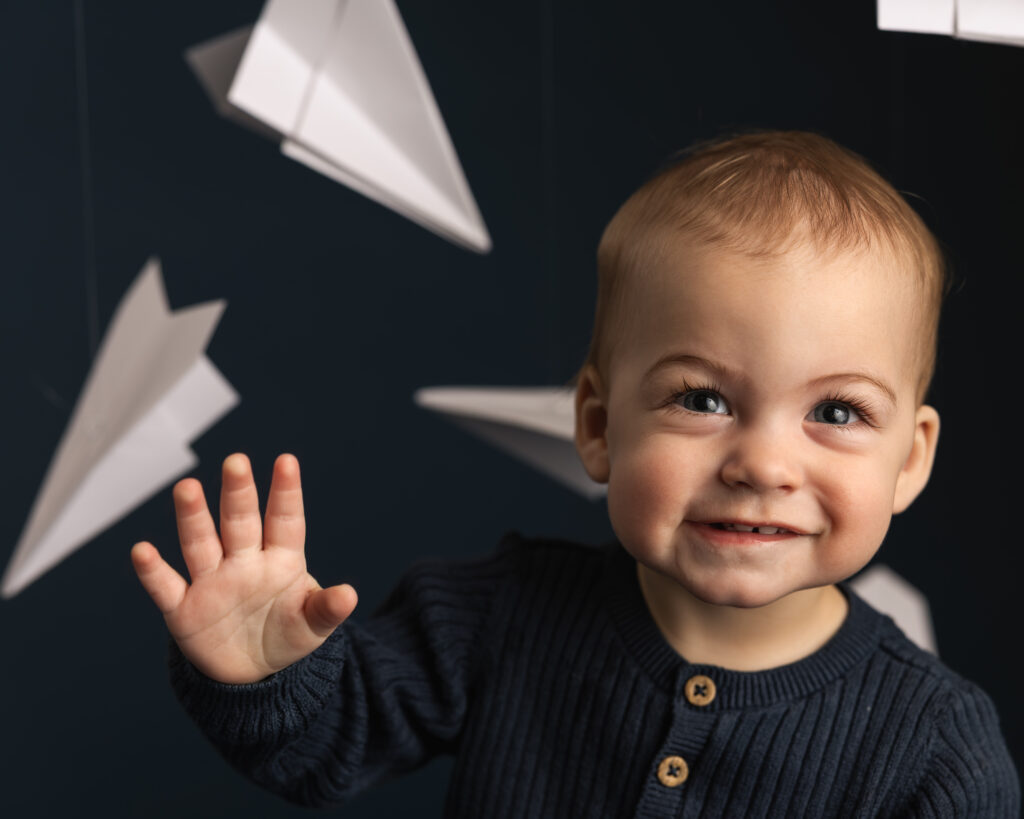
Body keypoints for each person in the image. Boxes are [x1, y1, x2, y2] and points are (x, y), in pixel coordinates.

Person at [132, 130, 1020, 817]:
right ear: (597, 425)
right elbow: (326, 744)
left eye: (836, 412)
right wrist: (264, 675)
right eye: (703, 399)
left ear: (909, 458)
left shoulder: (937, 744)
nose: (762, 463)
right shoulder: (496, 616)